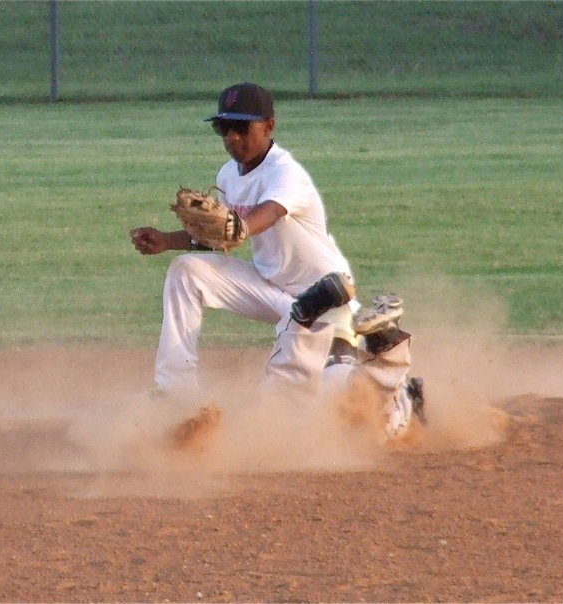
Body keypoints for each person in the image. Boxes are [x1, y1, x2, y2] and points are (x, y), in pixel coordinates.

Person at [129, 82, 422, 449]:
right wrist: (168, 241)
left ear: (269, 126)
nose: (233, 137)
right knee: (187, 272)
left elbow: (267, 213)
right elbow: (226, 234)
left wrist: (242, 225)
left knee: (334, 400)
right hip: (270, 287)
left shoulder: (286, 174)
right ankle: (175, 390)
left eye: (242, 127)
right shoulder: (228, 175)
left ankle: (401, 393)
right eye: (224, 128)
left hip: (325, 297)